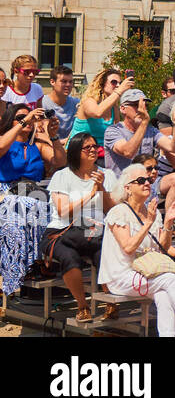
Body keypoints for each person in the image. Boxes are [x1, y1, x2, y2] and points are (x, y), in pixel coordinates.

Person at [99, 163, 175, 337]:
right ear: (128, 188)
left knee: (164, 294)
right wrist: (149, 222)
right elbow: (128, 248)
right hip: (121, 275)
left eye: (149, 180)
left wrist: (168, 224)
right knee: (168, 279)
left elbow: (163, 248)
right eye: (141, 180)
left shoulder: (154, 212)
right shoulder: (118, 212)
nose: (147, 183)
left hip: (147, 272)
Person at [43, 132, 119, 322]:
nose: (93, 150)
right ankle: (82, 306)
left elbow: (112, 210)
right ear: (77, 151)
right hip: (62, 231)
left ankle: (111, 302)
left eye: (95, 146)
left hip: (94, 231)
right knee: (70, 257)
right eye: (88, 147)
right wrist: (90, 195)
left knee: (105, 253)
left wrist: (101, 189)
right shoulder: (62, 176)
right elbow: (63, 211)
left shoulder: (106, 174)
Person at [0, 102, 64, 188]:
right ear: (10, 121)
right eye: (20, 117)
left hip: (33, 192)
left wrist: (54, 136)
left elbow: (60, 162)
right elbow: (1, 146)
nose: (29, 120)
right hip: (6, 193)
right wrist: (25, 120)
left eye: (31, 118)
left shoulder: (37, 146)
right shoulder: (3, 140)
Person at [104, 89, 161, 176]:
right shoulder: (113, 130)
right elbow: (128, 152)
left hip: (144, 184)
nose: (142, 109)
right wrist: (144, 122)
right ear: (123, 109)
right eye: (136, 105)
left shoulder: (150, 130)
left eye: (145, 105)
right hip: (121, 185)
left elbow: (173, 147)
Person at [71, 66, 130, 145]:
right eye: (114, 82)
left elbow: (116, 132)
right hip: (79, 151)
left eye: (120, 83)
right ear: (102, 84)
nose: (118, 86)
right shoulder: (89, 101)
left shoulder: (114, 107)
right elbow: (98, 113)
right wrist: (119, 92)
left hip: (101, 152)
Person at [40, 64, 79, 141]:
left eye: (70, 82)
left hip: (71, 146)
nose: (68, 85)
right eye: (64, 81)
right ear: (52, 82)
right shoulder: (42, 103)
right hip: (49, 145)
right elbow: (39, 132)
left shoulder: (76, 104)